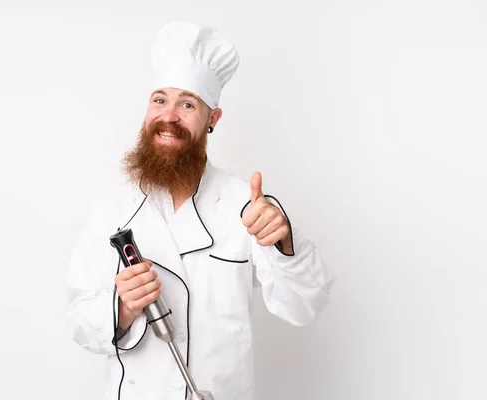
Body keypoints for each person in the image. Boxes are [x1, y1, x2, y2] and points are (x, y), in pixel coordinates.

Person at [67, 20, 333, 400]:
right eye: (159, 100)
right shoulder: (112, 211)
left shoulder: (246, 205)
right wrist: (122, 309)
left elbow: (304, 306)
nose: (169, 116)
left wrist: (284, 244)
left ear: (213, 119)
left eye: (187, 104)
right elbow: (79, 322)